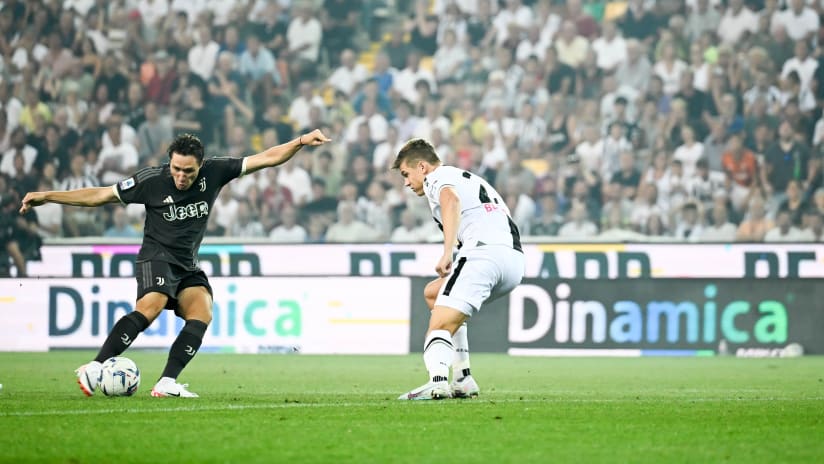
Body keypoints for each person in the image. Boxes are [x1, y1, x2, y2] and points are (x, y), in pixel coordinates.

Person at [19, 130, 331, 398]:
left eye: (189, 172)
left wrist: (301, 141)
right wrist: (48, 196)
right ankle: (95, 365)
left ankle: (167, 382)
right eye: (176, 169)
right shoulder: (151, 181)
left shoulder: (216, 171)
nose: (181, 177)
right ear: (170, 162)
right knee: (151, 306)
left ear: (201, 166)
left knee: (202, 312)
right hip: (156, 257)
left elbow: (267, 157)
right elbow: (100, 195)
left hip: (187, 265)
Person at [392, 138, 524, 400]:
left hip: (482, 255)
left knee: (439, 324)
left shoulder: (437, 178)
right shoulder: (467, 178)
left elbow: (450, 201)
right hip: (512, 262)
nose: (406, 182)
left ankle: (437, 382)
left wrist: (447, 251)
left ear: (422, 167)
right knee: (434, 294)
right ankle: (463, 378)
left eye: (406, 174)